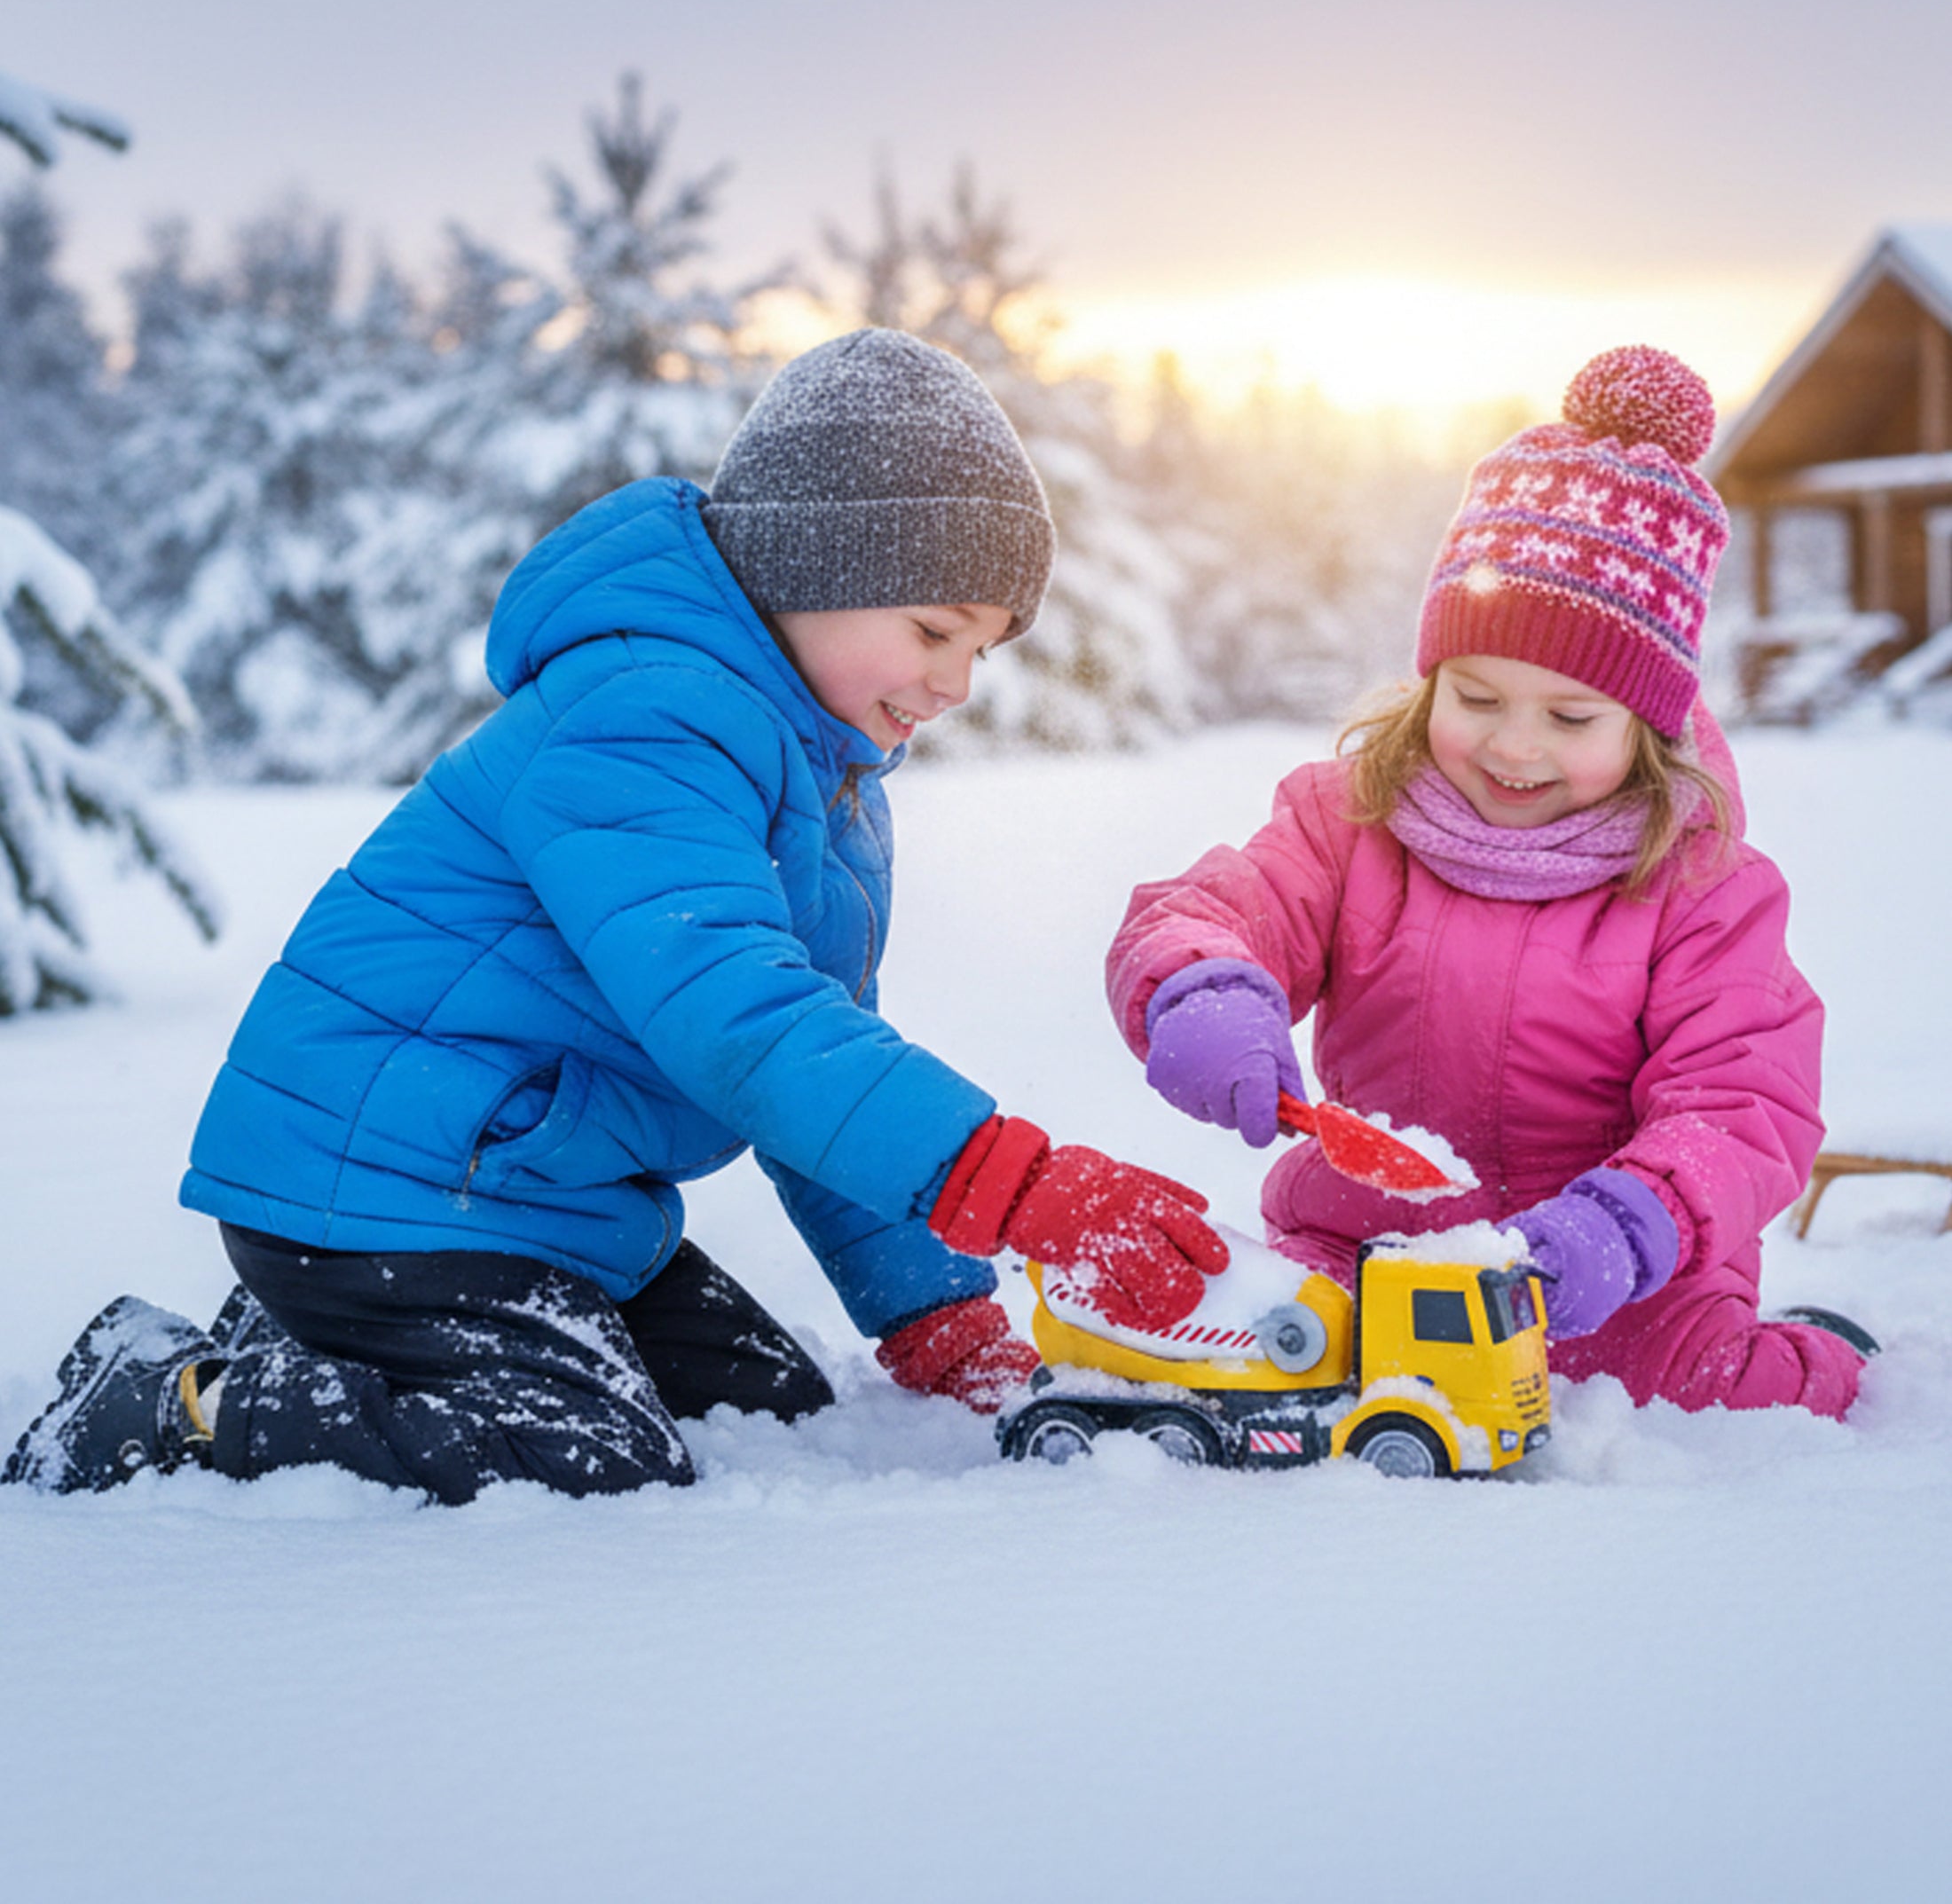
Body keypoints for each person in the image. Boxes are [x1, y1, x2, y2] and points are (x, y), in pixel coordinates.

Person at [5, 328, 1228, 1503]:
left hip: (535, 1201)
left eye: (987, 649)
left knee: (771, 1411)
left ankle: (339, 1344)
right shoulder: (646, 716)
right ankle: (174, 1400)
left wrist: (939, 1314)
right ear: (818, 569)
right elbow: (741, 1023)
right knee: (587, 1452)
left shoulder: (820, 774)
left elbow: (812, 1071)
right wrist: (1002, 1181)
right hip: (391, 1187)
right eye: (933, 630)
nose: (958, 685)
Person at [1106, 346, 1873, 1420]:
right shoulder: (1347, 823)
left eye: (1570, 718)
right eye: (1476, 695)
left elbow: (1744, 1100)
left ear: (1649, 726)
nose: (1515, 746)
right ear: (1428, 683)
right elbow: (1213, 909)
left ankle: (1824, 1357)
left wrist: (1632, 1220)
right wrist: (1202, 988)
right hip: (1362, 1249)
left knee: (1706, 1390)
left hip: (1615, 1280)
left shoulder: (1702, 887)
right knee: (1267, 1355)